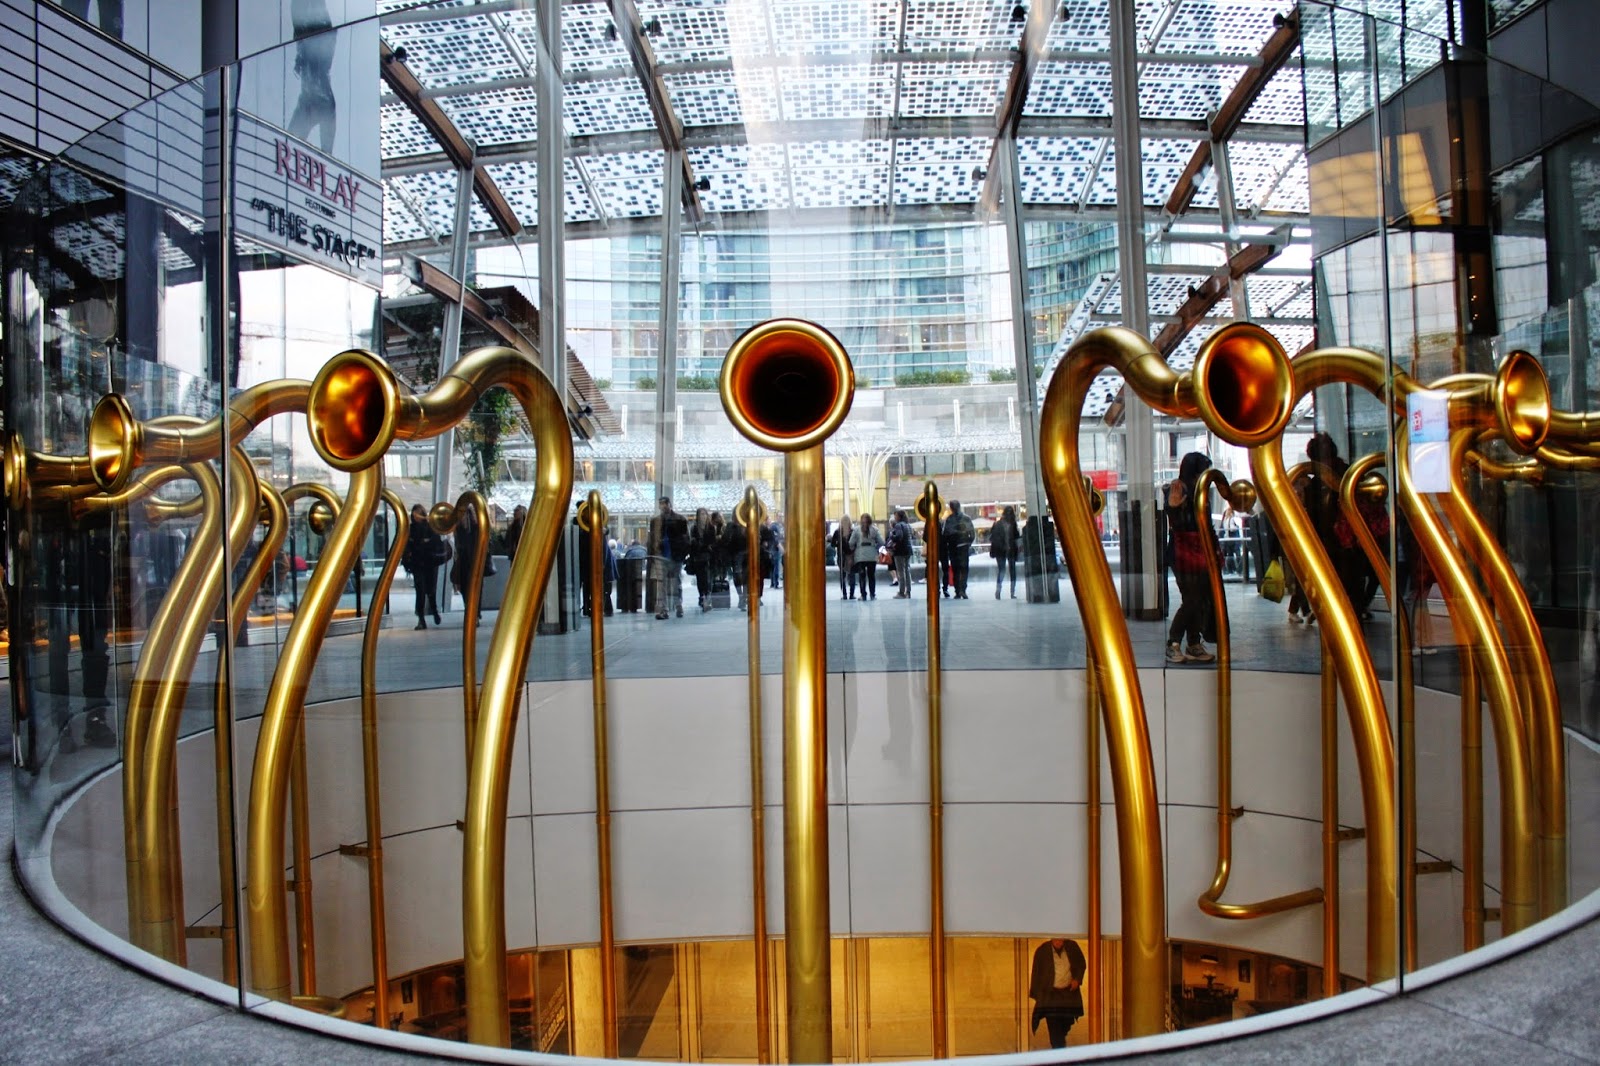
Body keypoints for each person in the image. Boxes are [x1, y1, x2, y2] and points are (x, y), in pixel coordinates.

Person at [1165, 452, 1215, 663]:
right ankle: (1173, 643)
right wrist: (1173, 507)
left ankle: (1193, 643)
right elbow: (1174, 513)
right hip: (1183, 552)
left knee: (1197, 599)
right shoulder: (1180, 488)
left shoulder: (1198, 492)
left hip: (1198, 551)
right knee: (1193, 598)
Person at [1028, 937, 1086, 1049]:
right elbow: (1036, 973)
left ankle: (1060, 1047)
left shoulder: (1072, 946)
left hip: (1068, 994)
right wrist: (1039, 995)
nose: (1058, 942)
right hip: (1051, 995)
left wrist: (1077, 980)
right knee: (1054, 1027)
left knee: (1065, 1024)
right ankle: (1058, 1051)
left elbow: (1081, 964)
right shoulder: (1042, 951)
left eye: (1061, 940)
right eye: (1056, 940)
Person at [402, 503, 446, 629]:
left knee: (430, 590)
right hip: (418, 564)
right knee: (420, 591)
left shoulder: (430, 527)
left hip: (429, 563)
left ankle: (434, 611)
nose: (416, 517)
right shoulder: (411, 529)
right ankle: (421, 618)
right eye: (414, 514)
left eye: (418, 514)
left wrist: (423, 544)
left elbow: (435, 543)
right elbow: (408, 546)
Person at [649, 496, 689, 619]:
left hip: (674, 554)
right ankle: (665, 609)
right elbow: (652, 538)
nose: (663, 506)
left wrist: (683, 553)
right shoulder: (656, 521)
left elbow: (686, 538)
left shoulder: (679, 519)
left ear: (669, 504)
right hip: (662, 554)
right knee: (663, 583)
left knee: (675, 582)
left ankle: (677, 606)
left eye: (664, 504)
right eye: (661, 504)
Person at [942, 500, 976, 599]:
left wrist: (949, 542)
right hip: (963, 546)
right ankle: (962, 590)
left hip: (954, 547)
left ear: (951, 508)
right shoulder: (966, 518)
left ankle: (958, 590)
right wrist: (968, 543)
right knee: (964, 568)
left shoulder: (949, 519)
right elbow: (972, 533)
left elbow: (945, 534)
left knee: (956, 568)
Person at [849, 512, 885, 600]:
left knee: (862, 576)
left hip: (860, 556)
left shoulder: (856, 530)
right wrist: (874, 546)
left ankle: (863, 595)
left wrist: (855, 548)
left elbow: (851, 543)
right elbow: (882, 542)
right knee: (871, 576)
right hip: (872, 556)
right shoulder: (875, 530)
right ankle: (872, 595)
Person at [990, 504, 1020, 599]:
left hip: (1004, 550)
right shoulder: (1011, 524)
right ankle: (1009, 592)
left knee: (1003, 570)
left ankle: (1000, 591)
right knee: (1009, 571)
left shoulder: (1000, 524)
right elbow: (1016, 537)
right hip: (1005, 550)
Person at [888, 509, 914, 597]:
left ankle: (901, 592)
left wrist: (891, 535)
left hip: (900, 551)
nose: (894, 517)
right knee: (907, 570)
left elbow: (898, 536)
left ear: (899, 516)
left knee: (900, 571)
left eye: (895, 516)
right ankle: (908, 591)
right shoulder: (908, 525)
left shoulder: (898, 525)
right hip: (908, 549)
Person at [833, 515, 856, 599]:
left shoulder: (837, 532)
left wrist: (839, 544)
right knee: (852, 574)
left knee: (842, 575)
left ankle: (844, 594)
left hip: (841, 555)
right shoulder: (853, 531)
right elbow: (855, 544)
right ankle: (851, 594)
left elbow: (832, 544)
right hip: (850, 555)